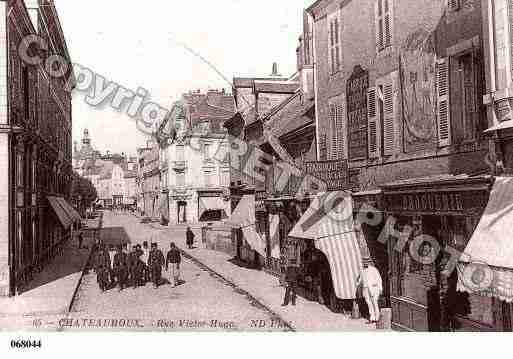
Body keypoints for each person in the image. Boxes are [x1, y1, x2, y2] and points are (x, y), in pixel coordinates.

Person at [357, 259, 383, 324]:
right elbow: (360, 281)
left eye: (366, 262)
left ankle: (377, 318)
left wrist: (380, 289)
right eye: (363, 262)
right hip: (366, 289)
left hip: (374, 288)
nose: (365, 263)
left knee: (375, 302)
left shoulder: (374, 270)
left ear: (369, 262)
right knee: (369, 303)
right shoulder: (362, 271)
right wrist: (357, 283)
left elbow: (379, 279)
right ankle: (372, 318)